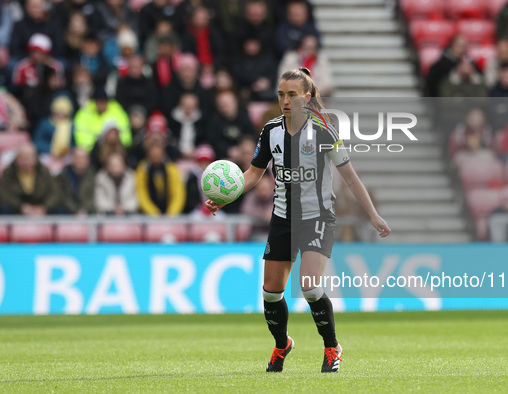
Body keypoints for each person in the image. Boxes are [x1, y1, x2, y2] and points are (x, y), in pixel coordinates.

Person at [205, 67, 391, 373]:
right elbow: (254, 174)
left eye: (292, 94)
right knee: (271, 291)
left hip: (318, 216)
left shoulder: (323, 131)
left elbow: (350, 178)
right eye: (281, 94)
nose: (285, 100)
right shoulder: (271, 131)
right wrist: (227, 195)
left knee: (308, 285)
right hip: (282, 218)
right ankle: (282, 344)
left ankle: (332, 347)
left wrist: (372, 214)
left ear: (307, 97)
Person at [0, 143, 60, 215]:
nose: (25, 162)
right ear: (16, 159)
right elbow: (4, 194)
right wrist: (21, 207)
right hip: (16, 210)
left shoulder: (44, 171)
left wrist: (44, 207)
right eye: (22, 158)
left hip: (40, 209)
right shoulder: (8, 172)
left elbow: (54, 193)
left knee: (58, 209)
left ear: (35, 159)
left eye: (28, 158)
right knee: (5, 208)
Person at [136, 139, 186, 216]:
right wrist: (154, 214)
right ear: (148, 154)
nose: (156, 157)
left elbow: (178, 194)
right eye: (153, 155)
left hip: (170, 215)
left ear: (163, 154)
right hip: (148, 216)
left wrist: (171, 214)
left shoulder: (172, 169)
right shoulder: (142, 170)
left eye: (158, 155)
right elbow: (142, 195)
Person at [73, 87, 131, 151]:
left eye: (104, 101)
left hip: (115, 149)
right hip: (92, 151)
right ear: (95, 102)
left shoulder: (117, 110)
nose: (102, 104)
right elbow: (82, 137)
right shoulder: (85, 112)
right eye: (99, 101)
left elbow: (125, 135)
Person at [54, 147, 95, 215]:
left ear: (88, 160)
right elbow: (64, 197)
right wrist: (76, 211)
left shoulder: (92, 175)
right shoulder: (63, 175)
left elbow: (92, 197)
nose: (80, 160)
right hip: (68, 212)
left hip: (88, 212)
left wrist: (84, 210)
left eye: (83, 157)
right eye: (78, 157)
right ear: (72, 159)